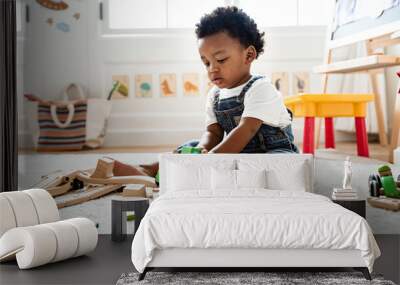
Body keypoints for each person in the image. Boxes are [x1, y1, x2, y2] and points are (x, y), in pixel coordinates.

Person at [113, 6, 298, 178]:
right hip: (236, 154)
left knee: (280, 165)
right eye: (206, 62)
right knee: (190, 147)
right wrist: (202, 151)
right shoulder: (215, 96)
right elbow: (213, 133)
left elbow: (246, 129)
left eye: (221, 60)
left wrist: (212, 158)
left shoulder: (260, 88)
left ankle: (201, 173)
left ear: (248, 55)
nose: (212, 69)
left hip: (271, 153)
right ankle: (150, 170)